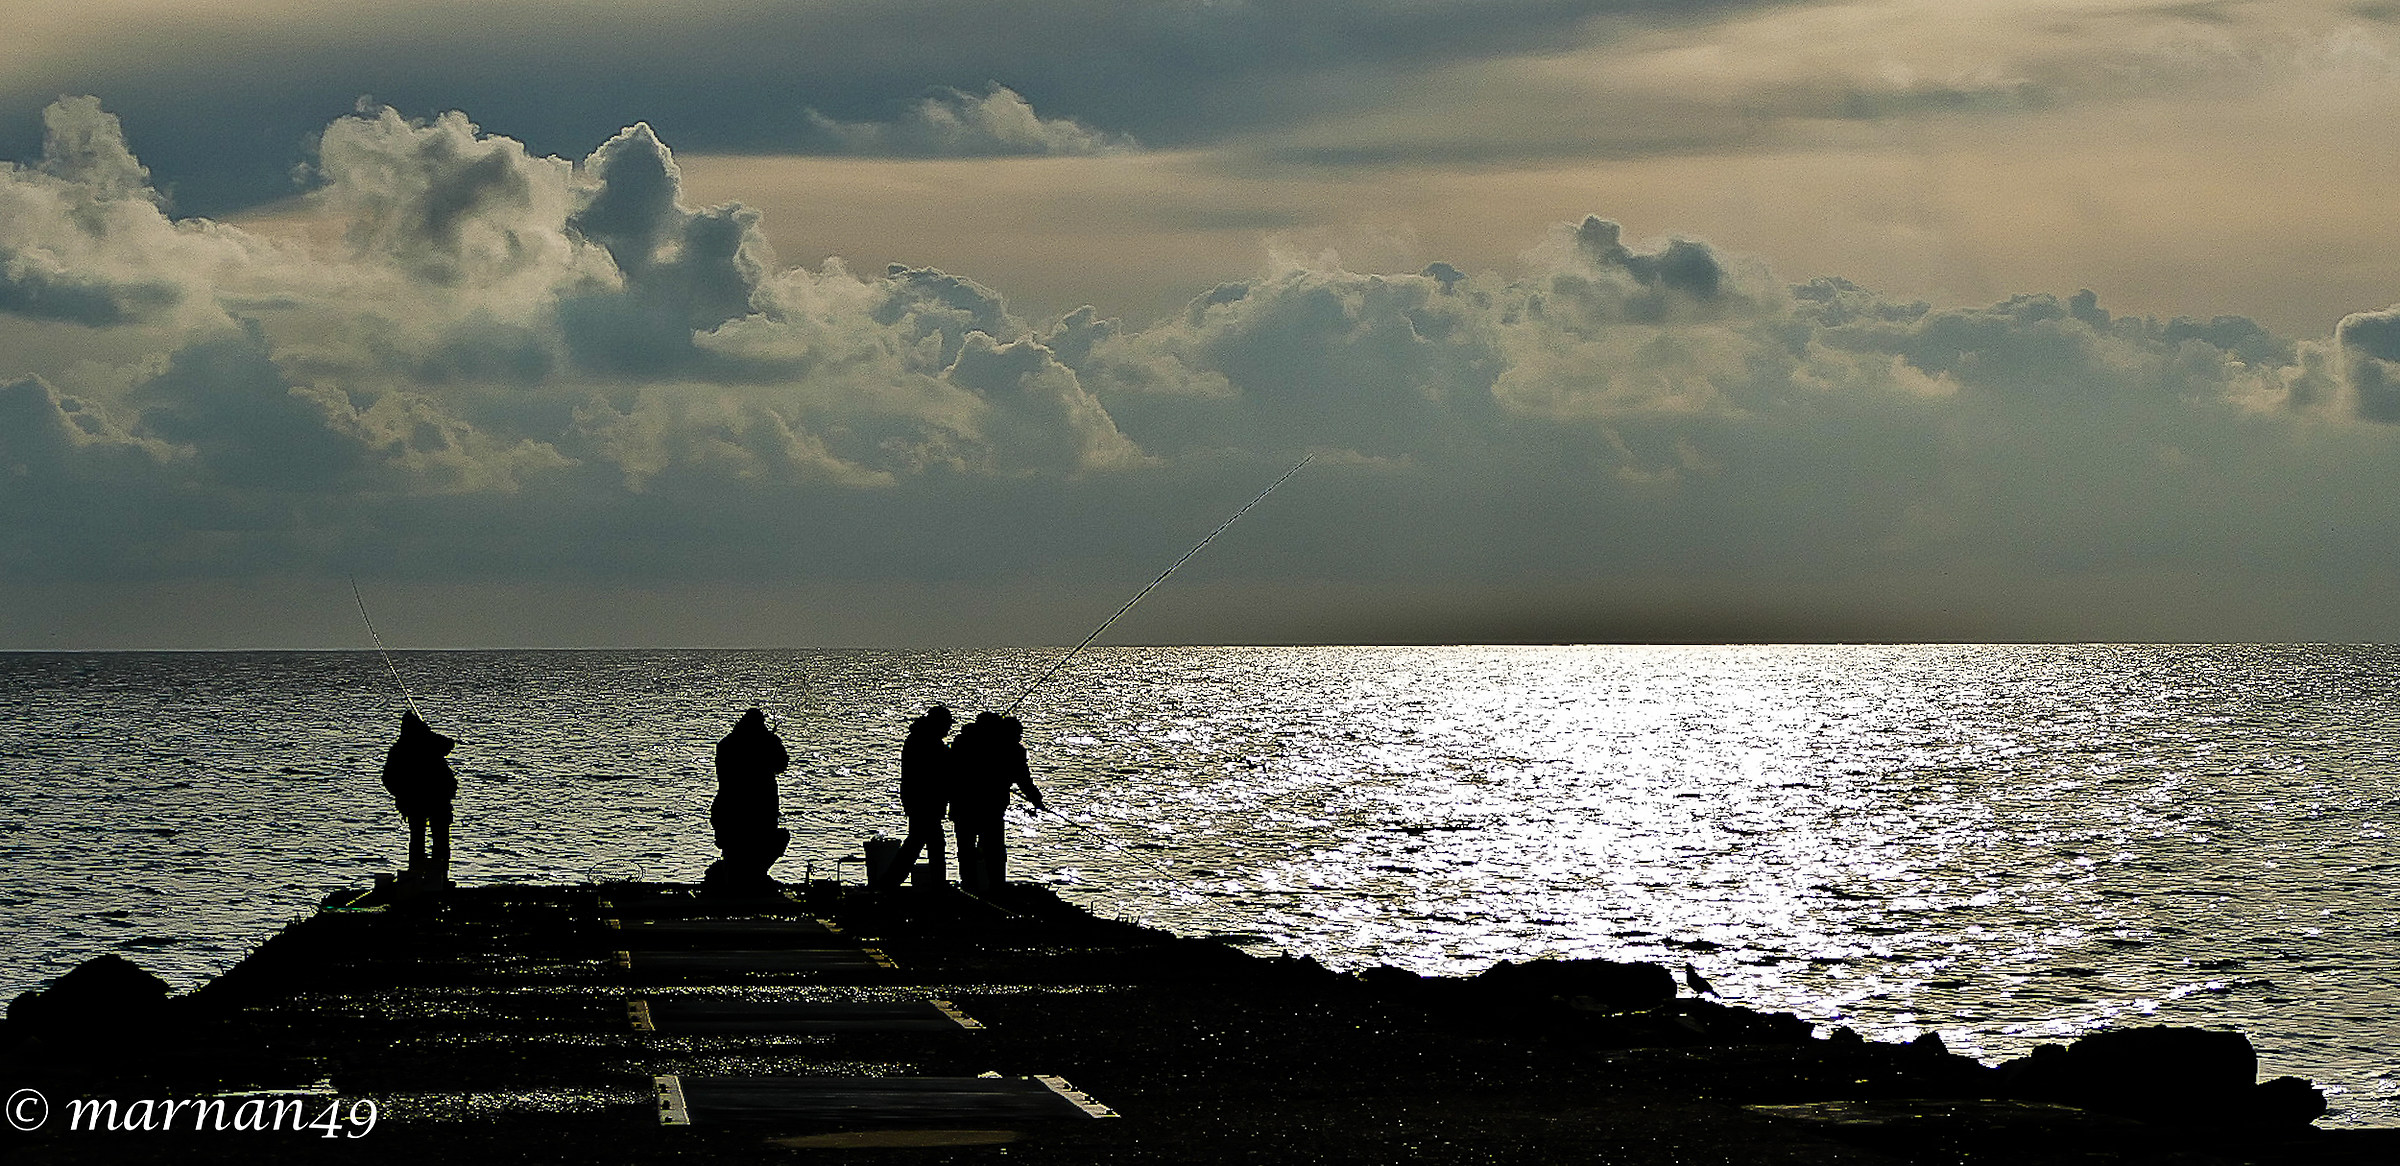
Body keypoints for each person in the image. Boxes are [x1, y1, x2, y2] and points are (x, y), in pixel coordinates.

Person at [949, 712, 1044, 893]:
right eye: (1018, 734)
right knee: (993, 851)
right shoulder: (1011, 750)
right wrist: (1036, 800)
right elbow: (1024, 780)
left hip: (963, 805)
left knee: (967, 849)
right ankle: (994, 887)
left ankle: (971, 886)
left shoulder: (963, 742)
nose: (1019, 738)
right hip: (989, 808)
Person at [705, 707, 791, 895]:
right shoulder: (765, 743)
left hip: (729, 810)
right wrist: (770, 740)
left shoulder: (726, 744)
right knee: (750, 848)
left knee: (737, 852)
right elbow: (781, 764)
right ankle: (749, 881)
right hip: (755, 811)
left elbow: (780, 764)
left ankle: (746, 880)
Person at [874, 705, 955, 890]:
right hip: (924, 802)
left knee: (918, 842)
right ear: (938, 724)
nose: (947, 729)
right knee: (929, 844)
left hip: (918, 801)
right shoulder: (927, 742)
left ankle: (889, 883)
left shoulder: (920, 739)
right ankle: (934, 885)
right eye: (946, 725)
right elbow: (939, 765)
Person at [380, 710, 458, 886]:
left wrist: (401, 795)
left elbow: (387, 779)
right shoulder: (429, 744)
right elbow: (448, 744)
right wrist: (428, 732)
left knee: (421, 840)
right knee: (438, 841)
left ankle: (421, 878)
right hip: (432, 801)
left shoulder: (399, 749)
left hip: (421, 803)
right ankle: (437, 879)